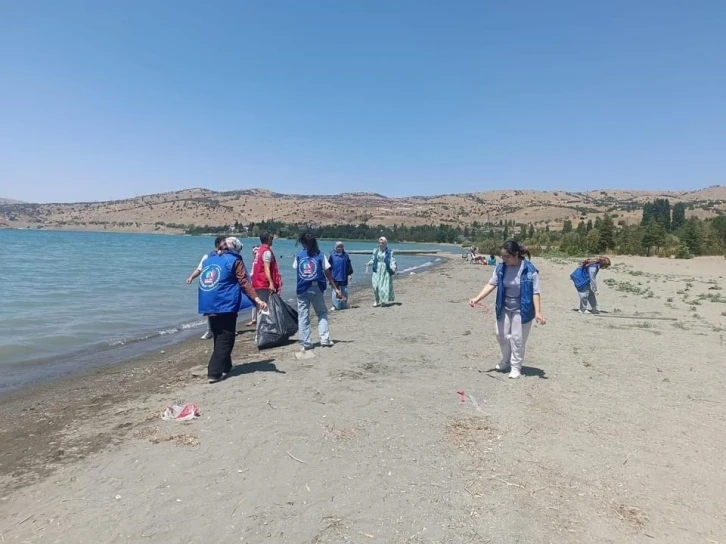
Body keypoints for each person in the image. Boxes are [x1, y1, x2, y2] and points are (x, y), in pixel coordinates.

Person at [468, 240, 546, 379]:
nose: (503, 259)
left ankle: (516, 367)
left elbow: (536, 291)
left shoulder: (529, 270)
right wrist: (477, 298)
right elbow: (491, 284)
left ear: (516, 254)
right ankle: (505, 361)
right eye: (502, 256)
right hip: (504, 307)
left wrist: (538, 312)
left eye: (506, 257)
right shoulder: (501, 268)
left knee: (517, 339)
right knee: (501, 335)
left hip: (523, 309)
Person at [198, 237, 267, 383]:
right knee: (226, 338)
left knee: (218, 335)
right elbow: (244, 282)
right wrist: (257, 299)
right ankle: (214, 372)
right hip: (225, 303)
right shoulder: (234, 260)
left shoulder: (209, 259)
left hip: (208, 302)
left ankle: (226, 366)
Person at [293, 233, 343, 350]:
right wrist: (335, 288)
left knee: (303, 316)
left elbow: (296, 268)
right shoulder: (320, 255)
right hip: (316, 288)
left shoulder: (299, 255)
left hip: (301, 289)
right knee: (321, 313)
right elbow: (328, 273)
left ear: (303, 243)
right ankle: (324, 339)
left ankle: (306, 342)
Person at [187, 236, 226, 339]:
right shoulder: (207, 257)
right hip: (210, 286)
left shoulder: (226, 255)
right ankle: (209, 331)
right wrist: (191, 277)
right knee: (210, 309)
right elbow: (199, 269)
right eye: (224, 243)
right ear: (218, 245)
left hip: (222, 286)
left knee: (223, 308)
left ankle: (225, 329)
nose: (226, 245)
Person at [365, 237, 397, 307]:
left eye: (382, 243)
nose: (380, 244)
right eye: (379, 243)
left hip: (385, 270)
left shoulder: (389, 251)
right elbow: (373, 260)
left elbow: (392, 260)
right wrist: (368, 263)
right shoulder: (375, 251)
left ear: (385, 243)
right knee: (375, 286)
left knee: (383, 286)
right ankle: (376, 299)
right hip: (377, 269)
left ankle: (382, 301)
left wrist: (393, 267)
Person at [328, 241, 353, 310]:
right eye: (338, 246)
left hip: (343, 276)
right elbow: (328, 266)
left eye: (341, 246)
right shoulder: (332, 255)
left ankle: (344, 304)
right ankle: (335, 306)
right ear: (336, 247)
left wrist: (350, 275)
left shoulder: (345, 255)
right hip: (334, 277)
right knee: (335, 292)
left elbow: (349, 266)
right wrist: (328, 276)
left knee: (344, 291)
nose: (340, 248)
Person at [246, 246, 260, 326]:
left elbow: (253, 273)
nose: (254, 254)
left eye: (256, 253)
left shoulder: (256, 262)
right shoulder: (254, 261)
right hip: (254, 283)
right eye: (253, 253)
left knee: (255, 301)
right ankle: (254, 319)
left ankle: (255, 319)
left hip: (257, 284)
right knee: (254, 301)